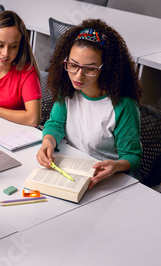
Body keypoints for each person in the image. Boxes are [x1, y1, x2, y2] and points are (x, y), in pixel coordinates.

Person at [37, 19, 142, 189]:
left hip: (109, 179)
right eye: (73, 65)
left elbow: (133, 157)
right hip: (75, 169)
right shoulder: (67, 90)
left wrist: (117, 165)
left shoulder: (123, 105)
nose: (78, 76)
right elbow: (55, 124)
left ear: (106, 68)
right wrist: (48, 142)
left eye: (90, 69)